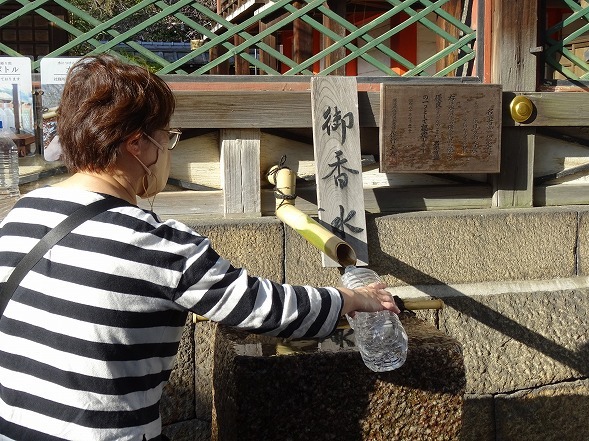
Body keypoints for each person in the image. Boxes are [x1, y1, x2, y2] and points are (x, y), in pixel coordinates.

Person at [0, 55, 400, 440]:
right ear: (138, 145)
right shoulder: (155, 243)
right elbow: (263, 307)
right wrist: (352, 298)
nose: (168, 153)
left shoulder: (21, 214)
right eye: (168, 138)